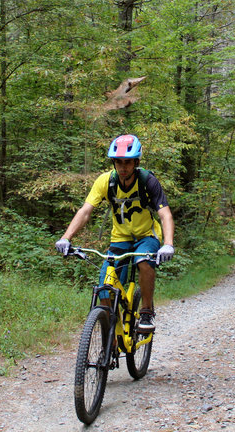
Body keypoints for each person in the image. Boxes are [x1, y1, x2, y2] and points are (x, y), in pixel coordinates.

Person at [55, 134, 175, 332]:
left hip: (146, 235)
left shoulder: (148, 181)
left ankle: (146, 311)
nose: (122, 166)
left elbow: (165, 214)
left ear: (136, 162)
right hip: (119, 239)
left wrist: (168, 244)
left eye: (127, 162)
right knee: (104, 288)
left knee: (144, 263)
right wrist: (66, 238)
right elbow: (85, 211)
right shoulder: (105, 181)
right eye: (118, 162)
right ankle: (111, 333)